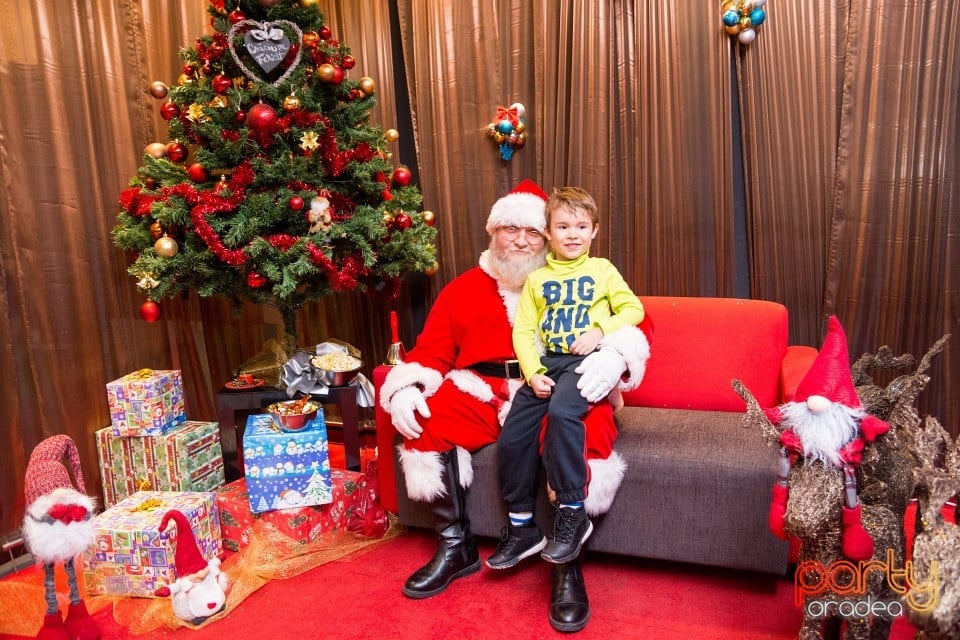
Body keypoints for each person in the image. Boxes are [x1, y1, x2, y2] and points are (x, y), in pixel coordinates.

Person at [379, 179, 650, 632]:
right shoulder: (464, 288)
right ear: (493, 232)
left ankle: (567, 564)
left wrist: (614, 354)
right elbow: (432, 351)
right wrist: (406, 386)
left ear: (548, 234)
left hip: (558, 382)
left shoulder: (578, 277)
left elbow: (636, 319)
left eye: (532, 232)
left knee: (584, 429)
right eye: (510, 229)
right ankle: (456, 546)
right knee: (428, 421)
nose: (521, 241)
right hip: (482, 388)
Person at [489, 187, 645, 572]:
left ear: (594, 231)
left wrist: (599, 330)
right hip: (549, 363)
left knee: (562, 415)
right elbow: (524, 334)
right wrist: (534, 372)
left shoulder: (602, 270)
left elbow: (633, 309)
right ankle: (522, 525)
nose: (572, 234)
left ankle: (574, 513)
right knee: (513, 434)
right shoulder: (537, 280)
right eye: (563, 226)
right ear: (549, 233)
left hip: (585, 364)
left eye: (580, 226)